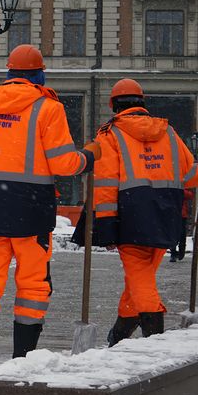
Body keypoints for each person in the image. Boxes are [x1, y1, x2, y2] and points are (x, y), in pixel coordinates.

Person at [0, 44, 99, 366]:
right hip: (30, 212)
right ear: (39, 74)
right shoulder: (47, 108)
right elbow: (62, 163)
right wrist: (88, 157)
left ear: (8, 73)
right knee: (33, 283)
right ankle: (22, 357)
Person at [73, 78, 198, 346]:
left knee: (140, 279)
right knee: (140, 277)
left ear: (113, 106)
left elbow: (106, 185)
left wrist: (105, 227)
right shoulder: (169, 132)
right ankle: (119, 334)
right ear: (142, 103)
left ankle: (154, 337)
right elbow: (189, 175)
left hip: (131, 216)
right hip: (166, 214)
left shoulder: (110, 135)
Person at [170, 188, 194, 262]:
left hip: (182, 215)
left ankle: (181, 251)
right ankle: (173, 253)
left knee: (182, 234)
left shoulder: (184, 185)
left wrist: (181, 191)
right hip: (172, 213)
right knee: (173, 234)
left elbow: (190, 195)